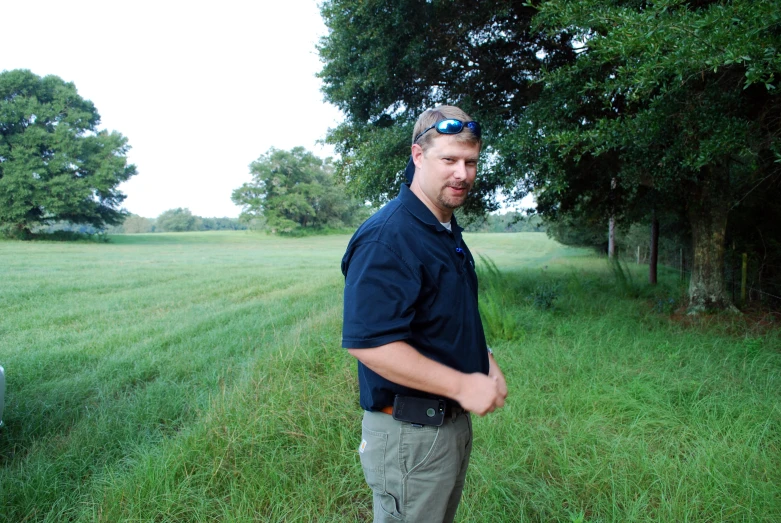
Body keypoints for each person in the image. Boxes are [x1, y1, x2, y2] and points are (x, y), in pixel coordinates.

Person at [341, 105, 508, 523]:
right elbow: (370, 343)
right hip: (409, 439)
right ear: (418, 156)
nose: (462, 174)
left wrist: (485, 361)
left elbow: (448, 315)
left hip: (446, 428)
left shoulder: (442, 229)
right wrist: (462, 383)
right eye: (448, 159)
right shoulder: (389, 237)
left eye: (470, 162)